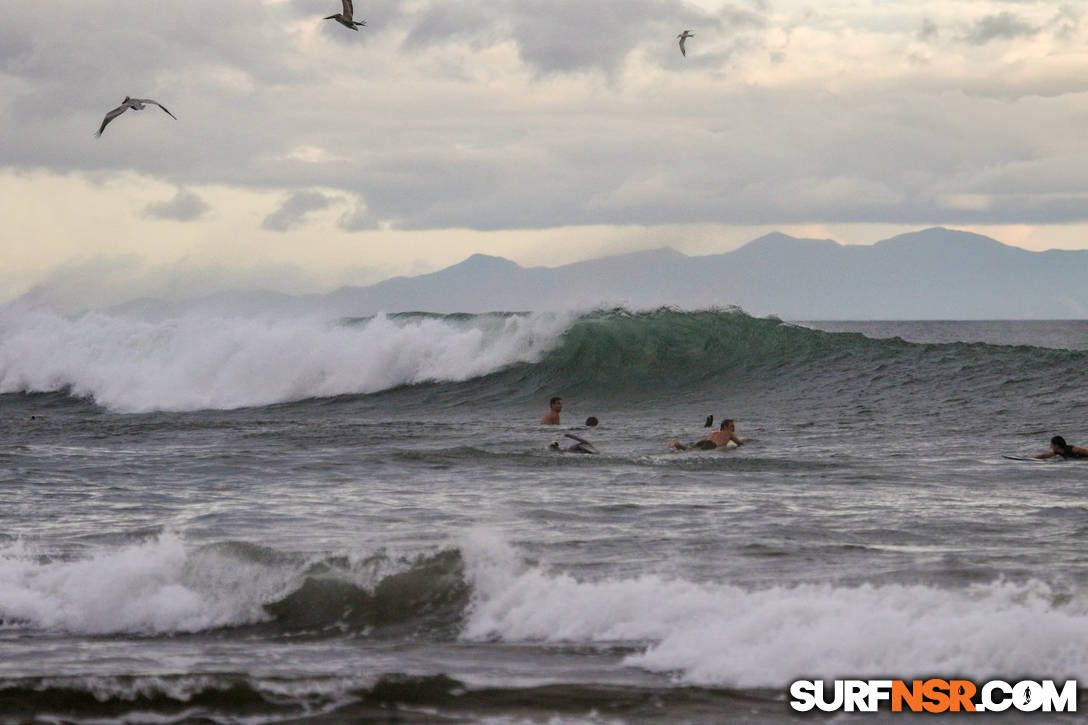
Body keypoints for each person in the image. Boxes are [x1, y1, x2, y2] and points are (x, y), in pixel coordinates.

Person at [668, 419, 748, 451]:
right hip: (712, 445)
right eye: (732, 426)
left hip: (704, 442)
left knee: (690, 449)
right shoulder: (729, 433)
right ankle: (677, 444)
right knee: (695, 451)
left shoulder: (713, 433)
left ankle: (677, 444)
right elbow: (739, 444)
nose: (733, 428)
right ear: (725, 427)